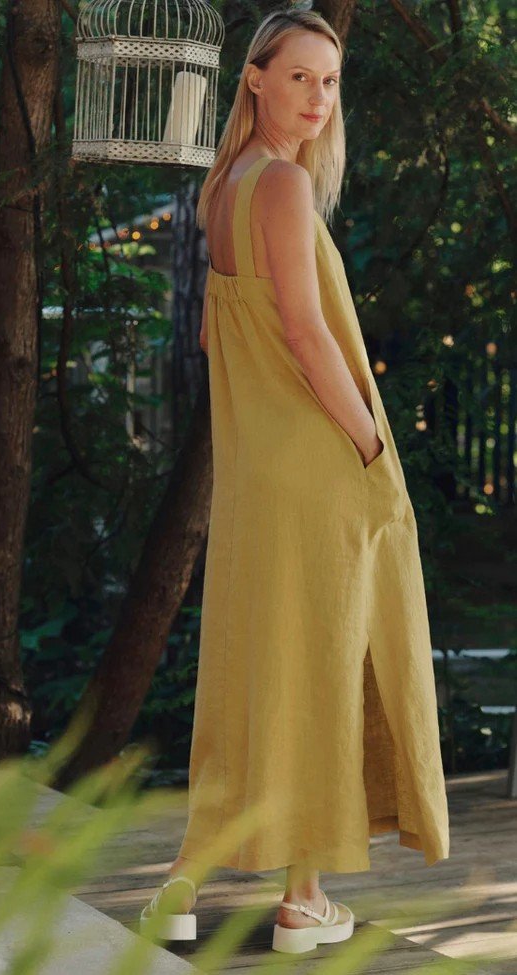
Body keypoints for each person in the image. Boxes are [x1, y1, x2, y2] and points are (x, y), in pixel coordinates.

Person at [140, 5, 450, 955]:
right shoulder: (279, 187)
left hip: (255, 476)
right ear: (255, 79)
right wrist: (368, 444)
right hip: (316, 465)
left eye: (331, 81)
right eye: (301, 77)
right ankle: (298, 903)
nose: (319, 98)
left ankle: (190, 888)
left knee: (253, 672)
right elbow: (310, 337)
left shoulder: (221, 187)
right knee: (317, 665)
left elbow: (212, 335)